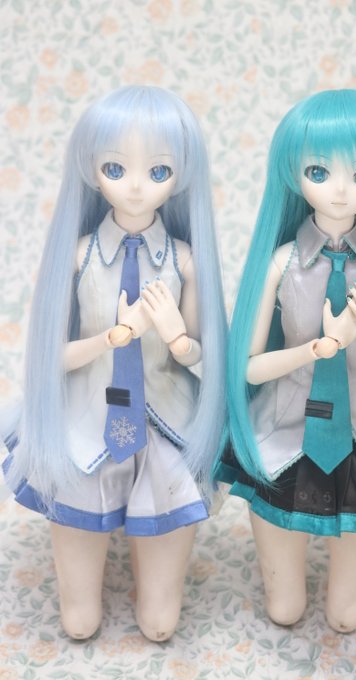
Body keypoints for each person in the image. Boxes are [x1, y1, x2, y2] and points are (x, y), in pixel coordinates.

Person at [2, 85, 226, 641]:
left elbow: (203, 359)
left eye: (158, 170)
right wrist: (111, 337)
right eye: (115, 168)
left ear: (181, 176)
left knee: (159, 622)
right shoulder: (77, 257)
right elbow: (51, 357)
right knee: (78, 621)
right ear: (92, 169)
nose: (135, 186)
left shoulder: (185, 262)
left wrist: (177, 338)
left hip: (165, 421)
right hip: (84, 420)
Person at [217, 89, 356, 633]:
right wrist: (314, 350)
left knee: (346, 616)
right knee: (285, 608)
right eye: (320, 171)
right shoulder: (281, 264)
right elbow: (249, 366)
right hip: (284, 426)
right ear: (293, 174)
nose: (340, 191)